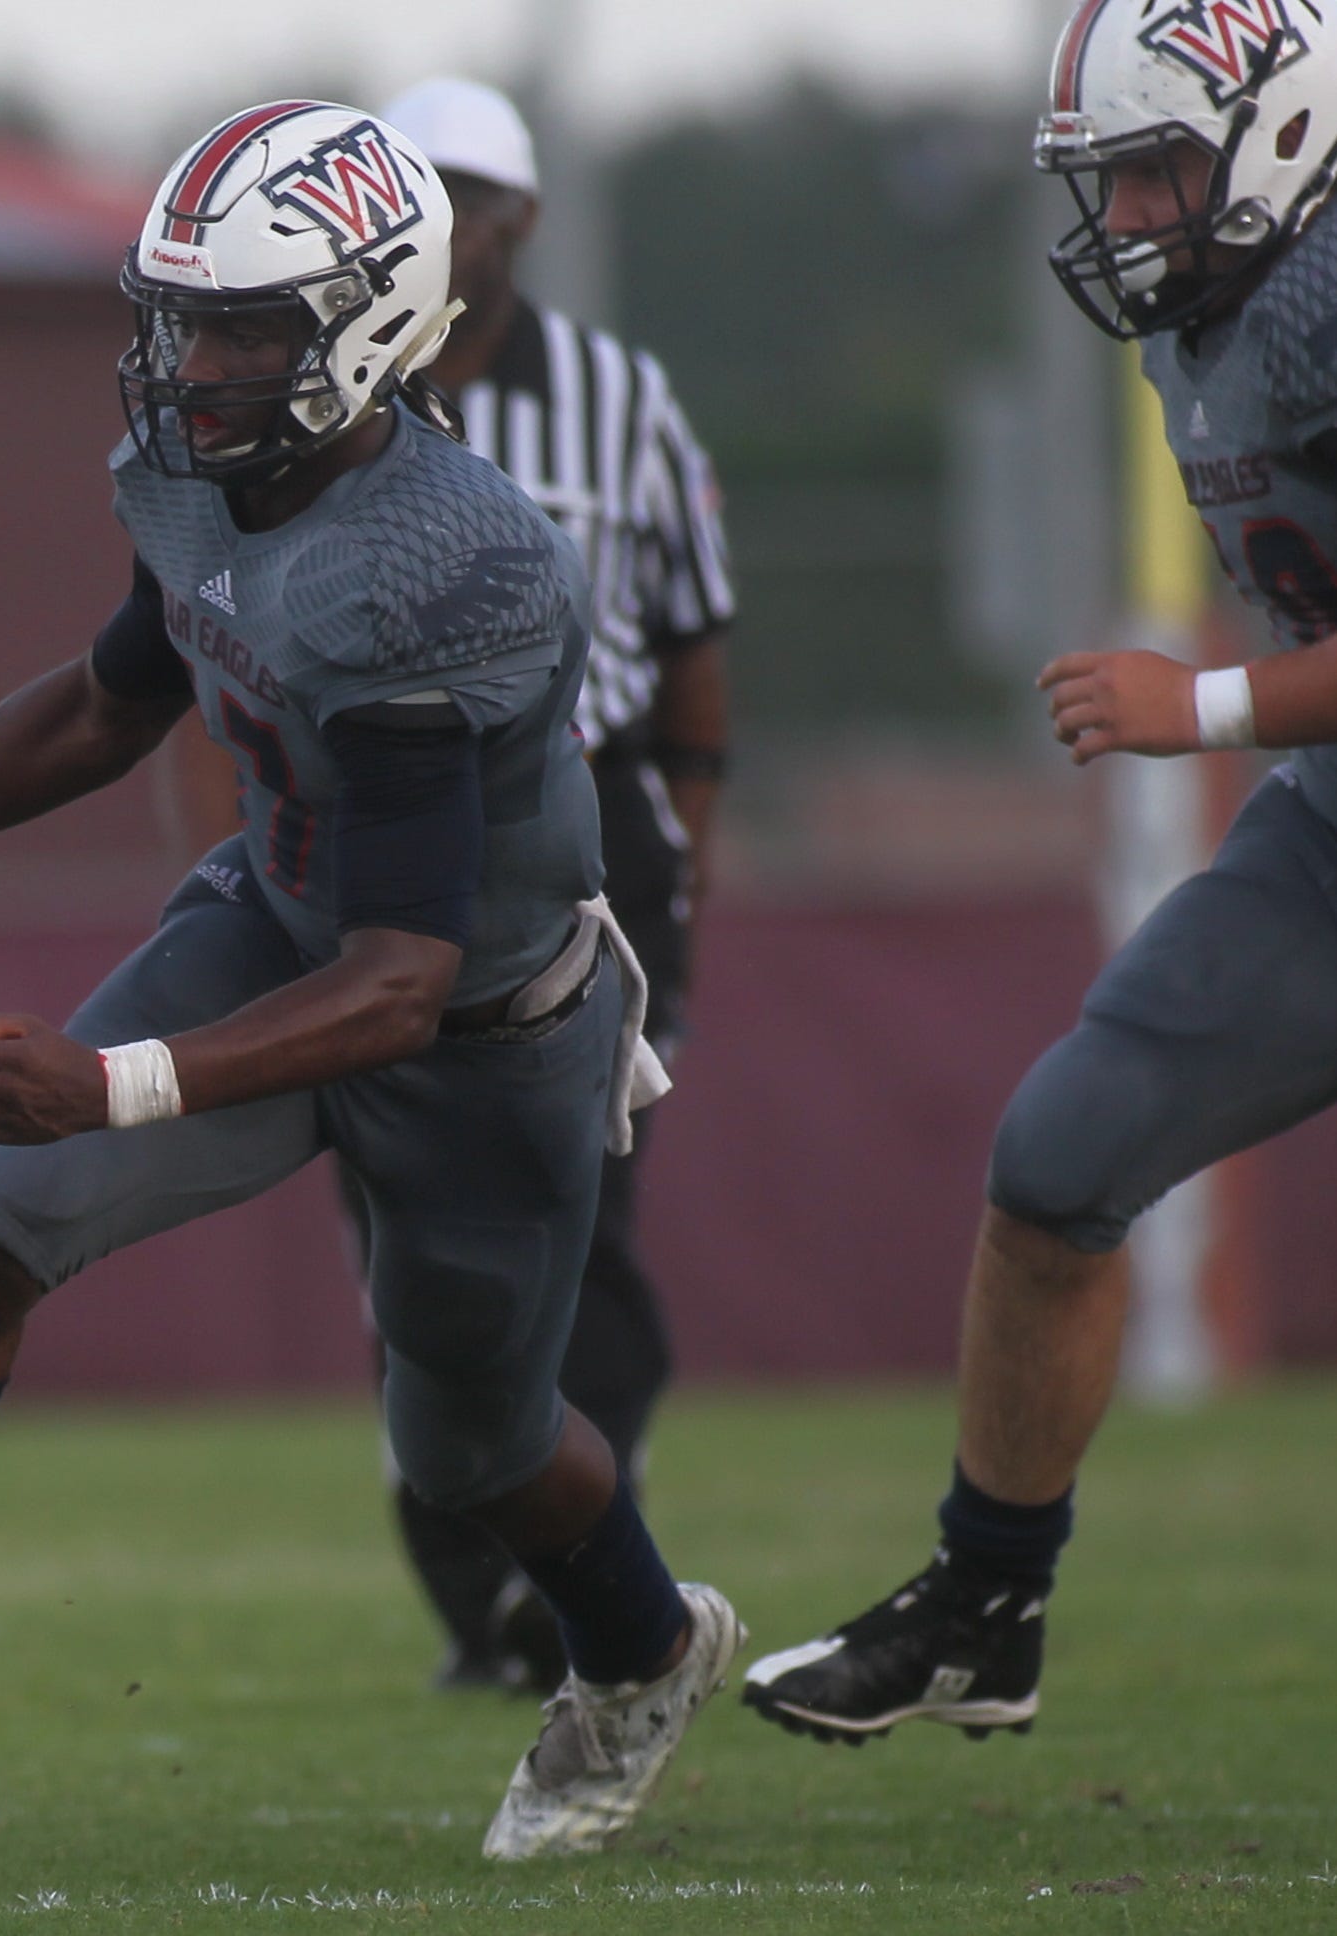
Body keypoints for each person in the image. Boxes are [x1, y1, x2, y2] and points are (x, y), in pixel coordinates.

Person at [0, 103, 739, 1861]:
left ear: (374, 320)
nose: (192, 364)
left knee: (473, 1445)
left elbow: (397, 984)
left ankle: (643, 1647)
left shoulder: (439, 562)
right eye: (178, 316)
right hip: (280, 920)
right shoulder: (200, 470)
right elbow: (102, 702)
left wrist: (113, 1081)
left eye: (244, 327)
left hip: (480, 1030)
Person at [748, 0, 1337, 1745]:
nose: (1133, 218)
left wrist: (1204, 705)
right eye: (1113, 181)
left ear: (1284, 130)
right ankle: (982, 1602)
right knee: (1057, 1157)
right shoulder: (1210, 317)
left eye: (1158, 171)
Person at [359, 77, 739, 1695]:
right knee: (402, 1218)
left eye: (466, 189)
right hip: (373, 826)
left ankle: (586, 1547)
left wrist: (690, 839)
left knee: (584, 1200)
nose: (439, 216)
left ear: (518, 217)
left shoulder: (615, 394)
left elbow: (697, 638)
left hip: (587, 834)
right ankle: (478, 1594)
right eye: (411, 188)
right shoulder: (324, 387)